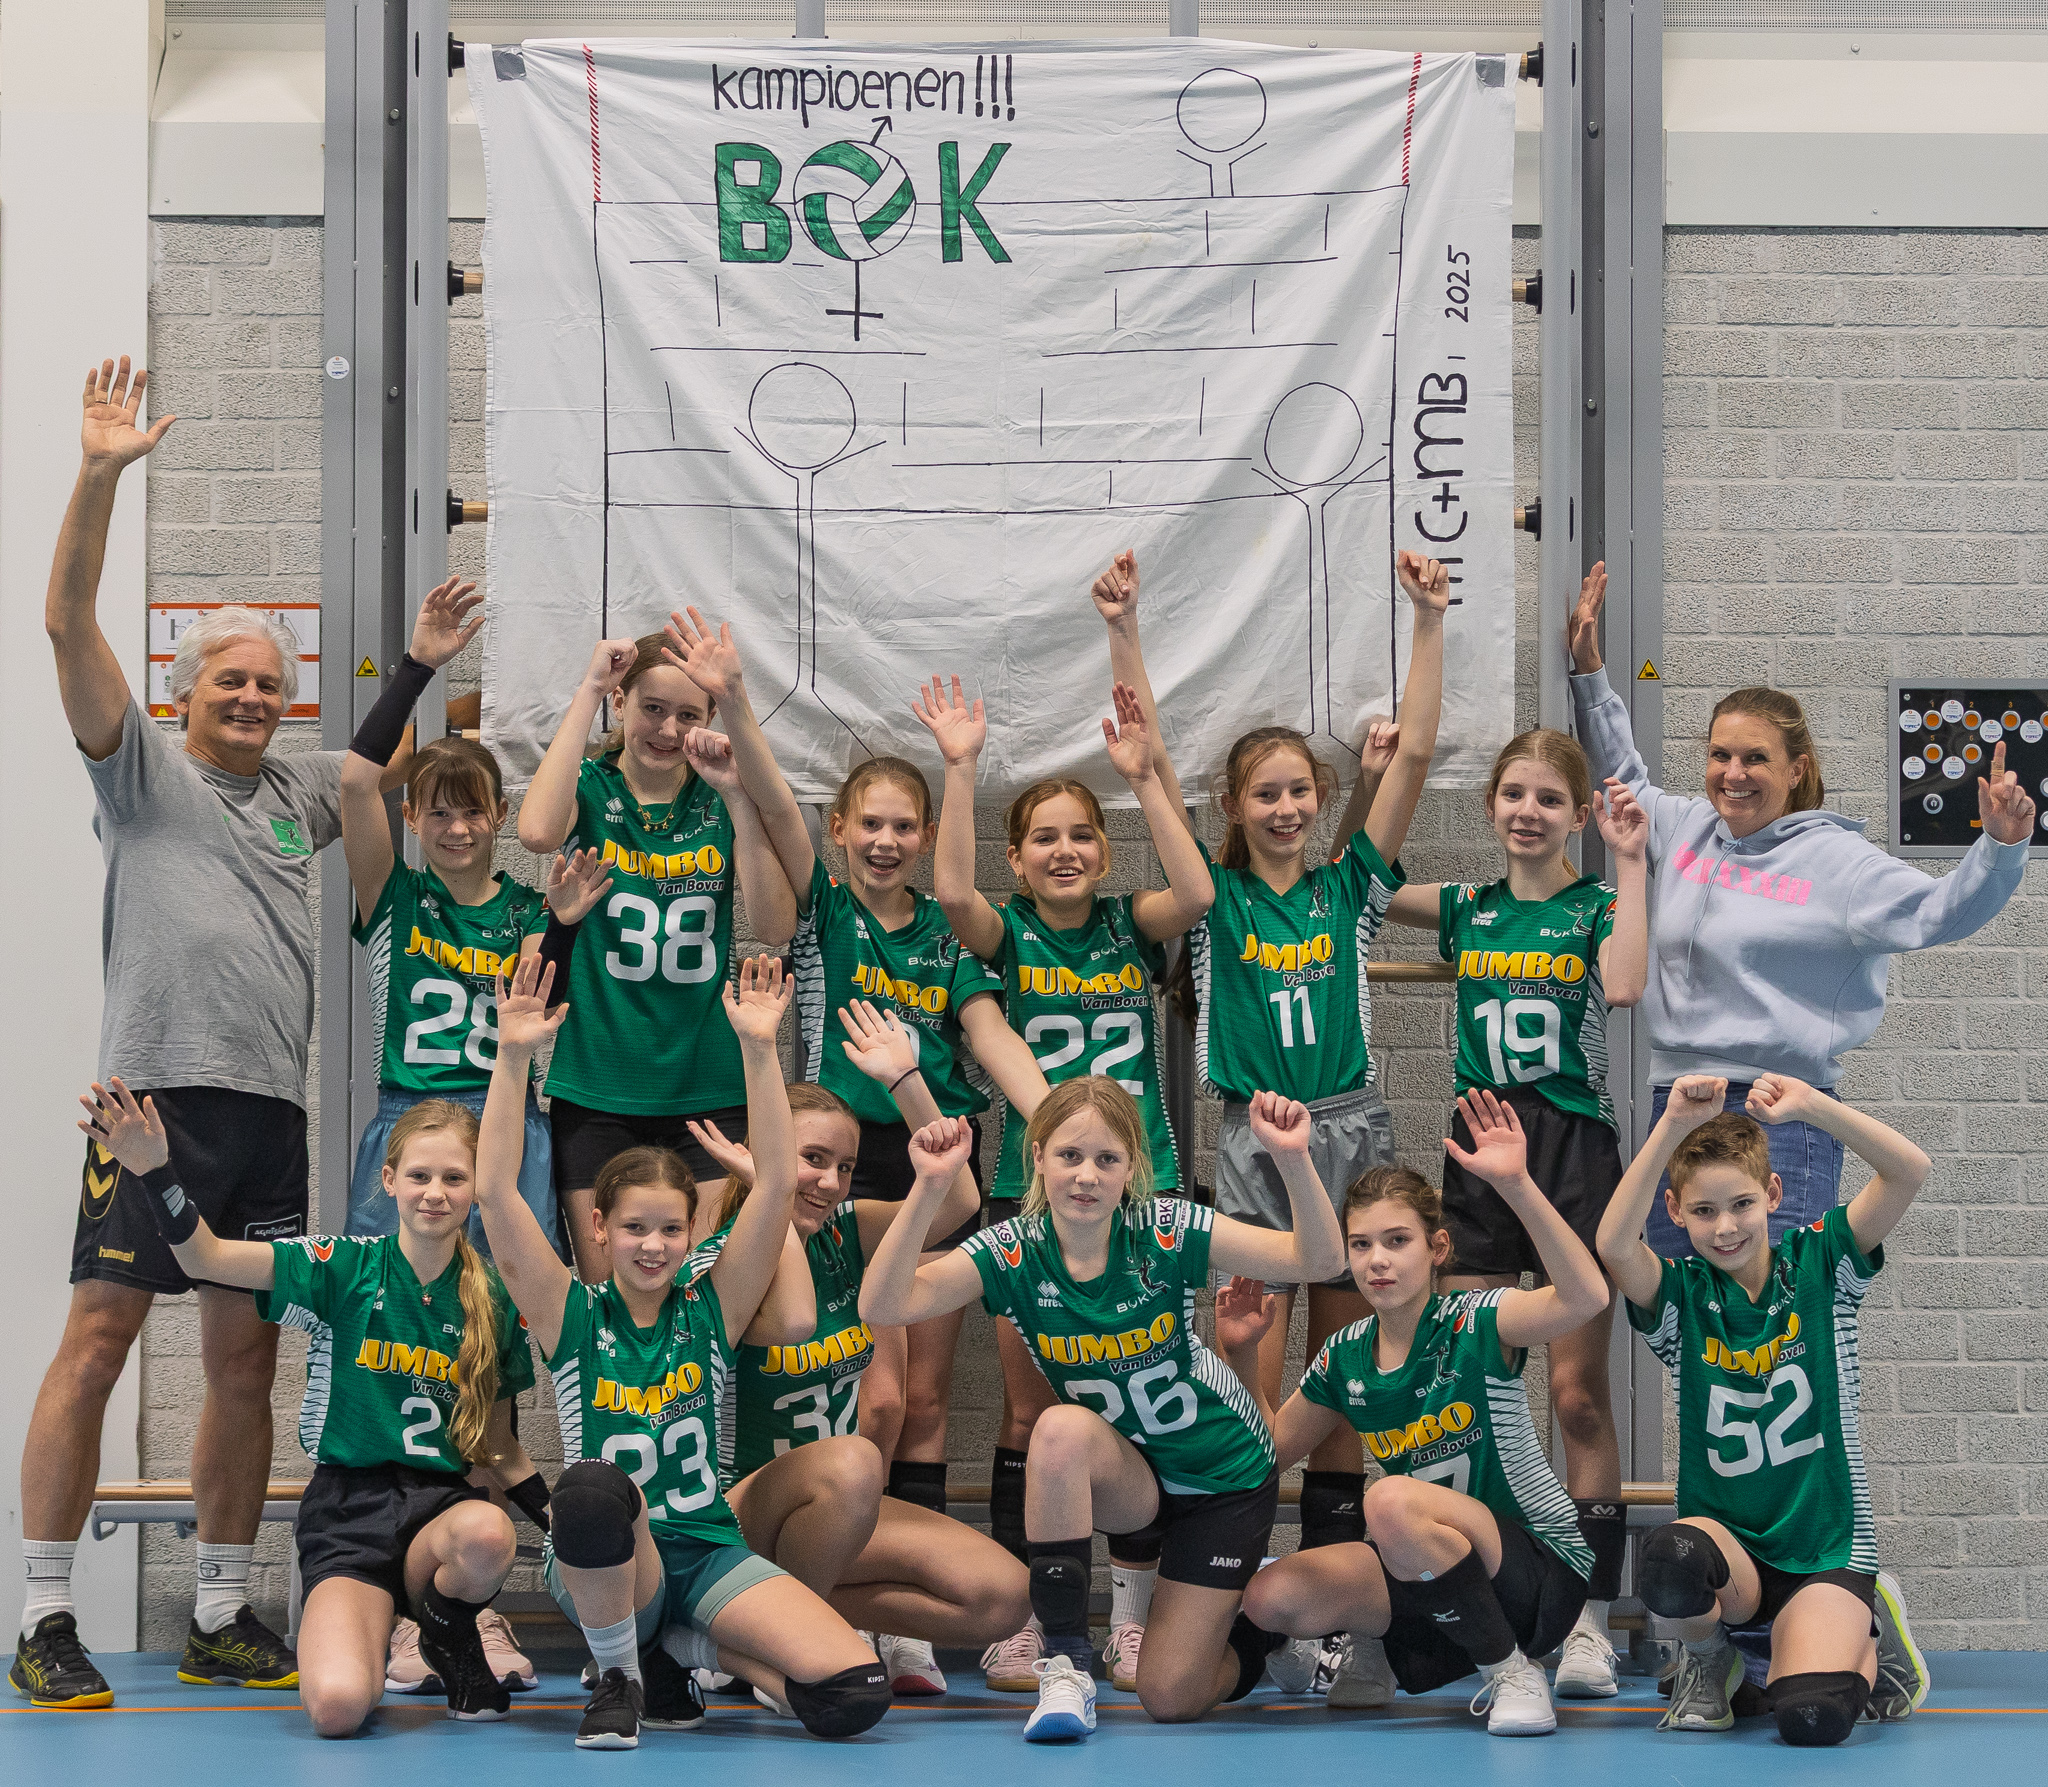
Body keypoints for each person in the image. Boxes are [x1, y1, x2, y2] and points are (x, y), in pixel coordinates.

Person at [15, 357, 384, 1707]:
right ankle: (45, 1613)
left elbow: (388, 763)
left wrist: (425, 662)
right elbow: (65, 622)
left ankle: (222, 1608)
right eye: (230, 680)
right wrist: (100, 473)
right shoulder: (143, 773)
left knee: (244, 1359)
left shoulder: (301, 791)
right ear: (182, 694)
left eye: (269, 683)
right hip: (151, 1104)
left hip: (267, 1116)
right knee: (100, 1339)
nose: (252, 696)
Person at [661, 609, 1046, 1536]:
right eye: (869, 823)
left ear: (925, 837)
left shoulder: (948, 936)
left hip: (932, 1159)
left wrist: (1056, 1115)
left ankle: (898, 1568)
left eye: (904, 827)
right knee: (867, 1391)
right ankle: (830, 1541)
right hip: (837, 1162)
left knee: (920, 1399)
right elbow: (774, 809)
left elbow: (991, 1033)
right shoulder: (828, 911)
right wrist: (735, 697)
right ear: (840, 828)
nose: (885, 839)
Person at [1161, 547, 1450, 1703]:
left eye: (1299, 791)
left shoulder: (1346, 892)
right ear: (1233, 808)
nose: (1284, 807)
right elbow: (1150, 781)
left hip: (1349, 1133)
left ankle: (1330, 1617)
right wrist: (1127, 647)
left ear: (1318, 801)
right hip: (1251, 1140)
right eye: (1264, 793)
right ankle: (1237, 1598)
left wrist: (1427, 620)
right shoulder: (1211, 903)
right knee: (1248, 1377)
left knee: (1346, 1382)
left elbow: (1413, 754)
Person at [477, 952, 890, 1749]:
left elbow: (775, 1185)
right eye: (635, 1226)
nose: (654, 1244)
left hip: (704, 1550)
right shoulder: (572, 1313)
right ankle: (619, 1677)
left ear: (691, 1230)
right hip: (610, 1560)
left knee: (854, 1692)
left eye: (670, 1227)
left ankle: (682, 1648)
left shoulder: (711, 1309)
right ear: (600, 1228)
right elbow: (495, 1191)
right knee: (591, 1487)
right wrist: (514, 1053)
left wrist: (759, 1049)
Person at [1567, 562, 2035, 1252]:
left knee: (1778, 1306)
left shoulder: (1839, 863)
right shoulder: (1686, 828)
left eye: (1755, 758)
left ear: (1796, 768)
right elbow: (1622, 778)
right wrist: (1589, 672)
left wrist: (2000, 846)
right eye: (1720, 755)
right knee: (1685, 1306)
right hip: (1680, 1106)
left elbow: (1940, 911)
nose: (1733, 774)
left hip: (1781, 1115)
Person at [861, 1077, 1345, 1742]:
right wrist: (928, 1188)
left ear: (1131, 1169)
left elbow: (1319, 1257)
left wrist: (1292, 1159)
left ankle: (1266, 1635)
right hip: (1134, 1476)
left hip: (1221, 1476)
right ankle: (1066, 1667)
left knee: (1170, 1697)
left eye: (1106, 1159)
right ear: (1037, 1157)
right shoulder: (1012, 1250)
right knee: (1058, 1428)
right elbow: (883, 1304)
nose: (1086, 1175)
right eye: (1069, 1155)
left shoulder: (1166, 1229)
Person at [916, 656, 1214, 1692]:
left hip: (1142, 1193)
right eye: (1043, 837)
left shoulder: (1131, 925)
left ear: (1103, 849)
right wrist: (961, 768)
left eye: (1081, 834)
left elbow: (1197, 890)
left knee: (1141, 1402)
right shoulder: (1004, 937)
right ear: (1018, 855)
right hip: (1032, 1195)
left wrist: (1144, 777)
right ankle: (1034, 1620)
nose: (1064, 850)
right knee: (1029, 1411)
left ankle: (1128, 1618)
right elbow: (952, 891)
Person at [72, 1082, 543, 1737]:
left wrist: (562, 1524)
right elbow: (206, 1256)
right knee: (338, 1707)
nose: (435, 1192)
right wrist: (155, 1171)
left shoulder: (490, 1295)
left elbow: (498, 1447)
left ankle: (442, 1628)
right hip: (349, 1516)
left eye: (454, 1177)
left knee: (488, 1536)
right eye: (420, 1175)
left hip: (438, 1512)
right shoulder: (343, 1266)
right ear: (390, 1179)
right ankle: (383, 1628)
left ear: (475, 1189)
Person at [1378, 728, 1648, 1696]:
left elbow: (1625, 983)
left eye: (1548, 798)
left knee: (1576, 1396)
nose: (1528, 811)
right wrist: (1378, 779)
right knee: (1476, 1394)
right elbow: (1362, 886)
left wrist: (1629, 859)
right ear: (1490, 803)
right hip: (1480, 1142)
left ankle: (1587, 1619)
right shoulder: (1468, 906)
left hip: (1571, 1147)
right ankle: (1494, 1612)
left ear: (1576, 814)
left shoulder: (1597, 904)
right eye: (1513, 793)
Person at [1217, 1095, 1609, 1735]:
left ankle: (1512, 1671)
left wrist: (1516, 1185)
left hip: (1540, 1572)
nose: (1378, 1260)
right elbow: (1263, 1455)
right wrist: (1240, 1354)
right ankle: (1375, 1643)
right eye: (1361, 1244)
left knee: (1390, 1500)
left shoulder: (1478, 1319)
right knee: (1271, 1596)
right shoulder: (1346, 1355)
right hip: (1433, 1572)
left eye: (1397, 1241)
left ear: (1437, 1247)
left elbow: (1586, 1296)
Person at [686, 1001, 1030, 1698]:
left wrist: (907, 1082)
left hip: (831, 1515)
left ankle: (750, 1629)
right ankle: (788, 1645)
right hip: (732, 1513)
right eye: (811, 1159)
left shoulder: (842, 1233)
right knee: (855, 1462)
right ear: (762, 1151)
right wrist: (768, 1191)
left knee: (1003, 1597)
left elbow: (958, 1200)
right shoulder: (718, 1258)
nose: (830, 1182)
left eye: (842, 1167)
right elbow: (792, 1319)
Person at [1596, 1074, 1934, 1745]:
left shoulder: (1821, 1264)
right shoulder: (1681, 1298)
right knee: (1670, 1556)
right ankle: (1708, 1658)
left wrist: (1812, 1107)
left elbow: (1909, 1169)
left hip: (1825, 1547)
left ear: (1773, 1195)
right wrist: (1670, 1125)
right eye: (1704, 1210)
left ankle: (1869, 1629)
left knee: (1811, 1718)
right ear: (1676, 1211)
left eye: (1742, 1204)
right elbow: (1612, 1245)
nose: (1725, 1227)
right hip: (1733, 1555)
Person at [515, 634, 796, 1281]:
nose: (668, 729)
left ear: (709, 718)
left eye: (688, 714)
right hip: (599, 1082)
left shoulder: (719, 795)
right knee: (610, 1298)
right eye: (652, 708)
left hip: (708, 1083)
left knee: (701, 1290)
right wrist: (590, 686)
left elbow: (775, 924)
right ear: (620, 703)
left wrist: (738, 799)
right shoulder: (591, 787)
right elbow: (535, 830)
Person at [337, 574, 556, 1255]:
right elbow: (355, 782)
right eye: (437, 812)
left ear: (501, 814)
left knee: (512, 1302)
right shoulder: (392, 896)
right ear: (409, 816)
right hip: (409, 1115)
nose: (456, 828)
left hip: (506, 1117)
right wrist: (417, 667)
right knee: (388, 1295)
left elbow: (545, 1002)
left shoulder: (533, 911)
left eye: (472, 811)